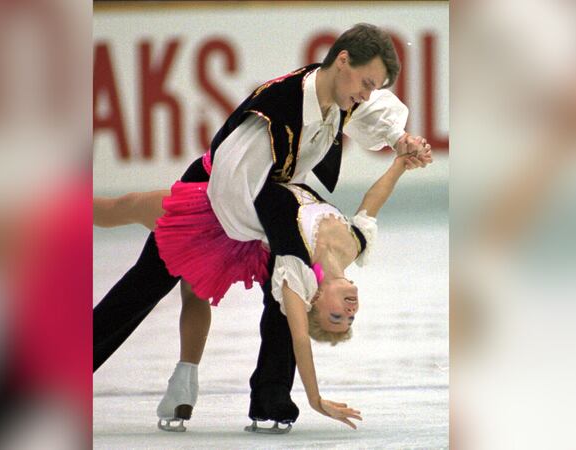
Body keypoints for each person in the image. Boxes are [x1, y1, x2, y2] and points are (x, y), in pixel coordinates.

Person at [93, 23, 430, 430]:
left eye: (373, 87)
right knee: (145, 282)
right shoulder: (274, 111)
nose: (367, 94)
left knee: (284, 295)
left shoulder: (342, 95)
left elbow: (376, 113)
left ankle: (271, 401)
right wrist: (279, 234)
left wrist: (399, 140)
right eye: (366, 83)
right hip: (212, 202)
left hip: (264, 218)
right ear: (343, 61)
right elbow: (230, 187)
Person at [95, 145, 432, 432]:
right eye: (350, 318)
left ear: (315, 300)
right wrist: (400, 164)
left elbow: (300, 338)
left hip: (211, 208)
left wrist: (314, 398)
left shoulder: (294, 271)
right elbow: (373, 200)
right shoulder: (358, 243)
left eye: (337, 317)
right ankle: (185, 383)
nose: (349, 312)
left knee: (122, 209)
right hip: (238, 205)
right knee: (191, 289)